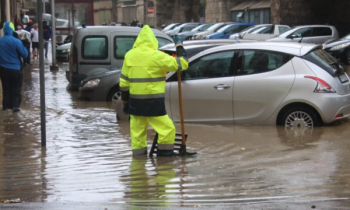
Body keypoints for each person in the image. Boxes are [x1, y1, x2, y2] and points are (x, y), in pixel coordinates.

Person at [119, 25, 188, 156]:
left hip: (135, 104)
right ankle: (164, 162)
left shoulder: (129, 56)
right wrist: (179, 46)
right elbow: (182, 64)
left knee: (137, 135)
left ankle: (138, 168)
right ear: (153, 41)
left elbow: (123, 82)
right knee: (167, 130)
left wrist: (126, 103)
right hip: (153, 103)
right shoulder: (157, 56)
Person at [0, 22, 28, 112]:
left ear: (4, 30)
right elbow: (25, 54)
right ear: (12, 30)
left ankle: (6, 107)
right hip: (16, 69)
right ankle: (15, 107)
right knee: (16, 89)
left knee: (6, 89)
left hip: (3, 69)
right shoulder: (17, 41)